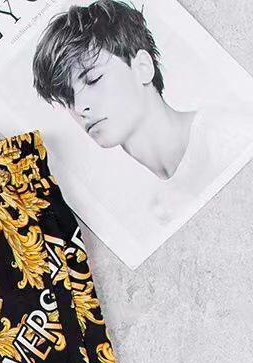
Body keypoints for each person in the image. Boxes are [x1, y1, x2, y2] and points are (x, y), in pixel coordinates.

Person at [32, 0, 253, 223]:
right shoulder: (147, 206)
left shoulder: (230, 138)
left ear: (143, 67)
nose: (80, 107)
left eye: (93, 79)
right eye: (68, 98)